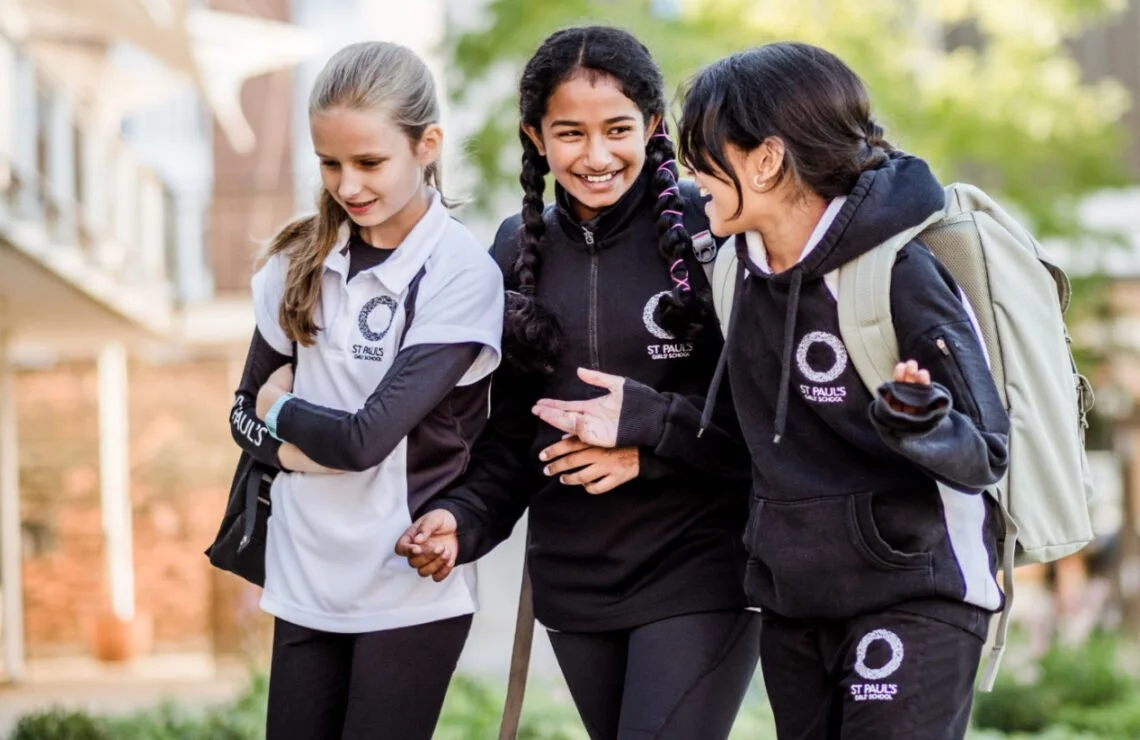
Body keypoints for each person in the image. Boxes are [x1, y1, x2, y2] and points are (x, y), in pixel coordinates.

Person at [533, 42, 1013, 739]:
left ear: (765, 159)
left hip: (917, 591)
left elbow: (989, 452)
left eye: (701, 152)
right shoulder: (737, 273)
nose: (689, 173)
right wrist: (647, 424)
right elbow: (739, 438)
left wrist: (923, 424)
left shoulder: (900, 273)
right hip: (794, 602)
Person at [397, 26, 761, 740]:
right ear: (535, 136)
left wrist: (646, 446)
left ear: (654, 126)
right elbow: (509, 437)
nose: (596, 157)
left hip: (701, 564)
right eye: (570, 133)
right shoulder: (512, 249)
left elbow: (762, 420)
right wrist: (462, 520)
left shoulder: (713, 228)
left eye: (618, 129)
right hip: (576, 581)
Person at [227, 41, 503, 740]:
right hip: (303, 579)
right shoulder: (298, 263)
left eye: (369, 162)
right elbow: (238, 414)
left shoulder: (460, 273)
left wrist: (282, 412)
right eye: (330, 163)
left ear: (427, 146)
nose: (347, 184)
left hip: (404, 590)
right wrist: (289, 451)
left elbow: (363, 439)